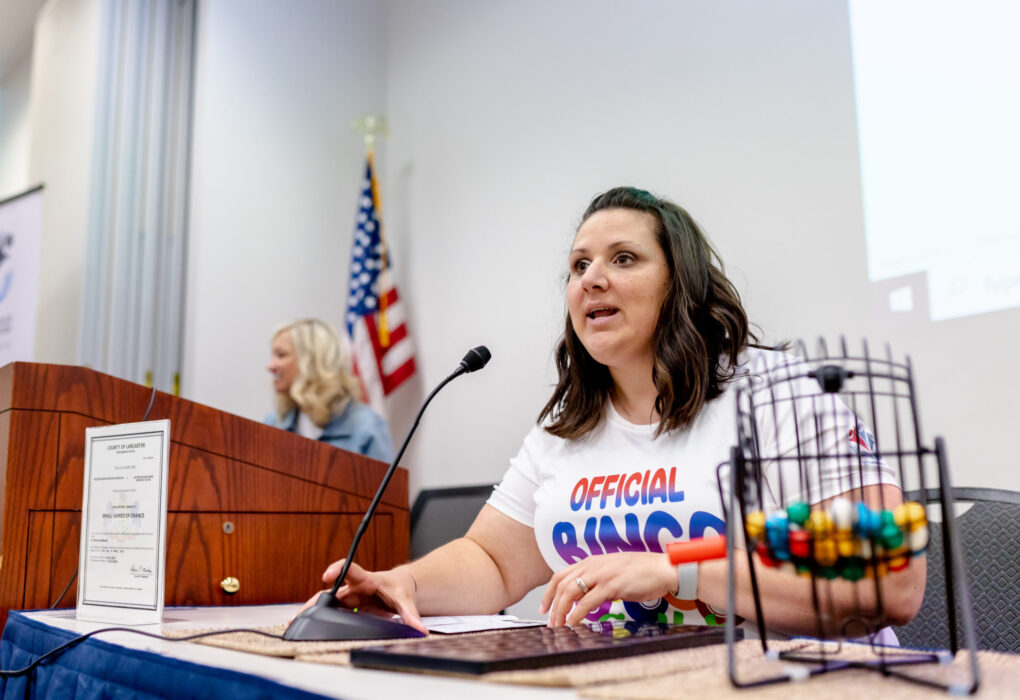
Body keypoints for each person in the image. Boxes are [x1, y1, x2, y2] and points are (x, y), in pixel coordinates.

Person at [300, 187, 924, 636]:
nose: (591, 278)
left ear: (680, 283)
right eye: (578, 265)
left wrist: (678, 572)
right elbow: (491, 563)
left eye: (623, 259)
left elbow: (888, 583)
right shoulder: (565, 427)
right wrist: (408, 582)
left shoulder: (786, 395)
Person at [265, 318, 395, 463]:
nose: (270, 366)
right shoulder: (273, 424)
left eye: (281, 355)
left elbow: (387, 485)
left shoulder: (367, 426)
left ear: (313, 361)